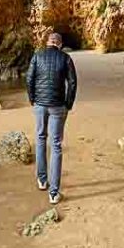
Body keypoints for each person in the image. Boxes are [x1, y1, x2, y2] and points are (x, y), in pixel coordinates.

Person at [26, 31, 77, 204]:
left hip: (40, 105)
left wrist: (32, 98)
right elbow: (72, 82)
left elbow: (29, 79)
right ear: (60, 44)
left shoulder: (37, 56)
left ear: (47, 42)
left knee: (40, 138)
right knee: (55, 145)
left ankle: (42, 180)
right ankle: (53, 193)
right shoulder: (65, 58)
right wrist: (68, 104)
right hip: (57, 106)